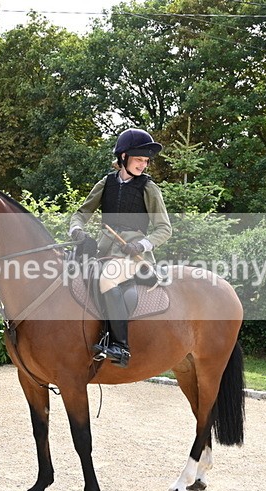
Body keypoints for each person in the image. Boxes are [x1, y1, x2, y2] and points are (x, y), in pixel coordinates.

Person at [69, 128, 172, 368]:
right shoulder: (106, 183)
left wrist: (141, 244)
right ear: (123, 157)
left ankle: (120, 346)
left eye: (146, 161)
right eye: (139, 159)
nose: (143, 165)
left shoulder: (149, 188)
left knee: (107, 280)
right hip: (104, 251)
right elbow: (81, 214)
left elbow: (164, 229)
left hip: (134, 256)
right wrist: (77, 232)